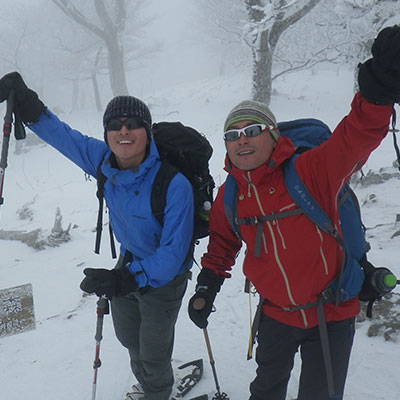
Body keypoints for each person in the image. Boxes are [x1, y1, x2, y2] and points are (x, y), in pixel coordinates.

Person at [188, 25, 400, 400]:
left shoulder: (310, 171)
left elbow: (355, 137)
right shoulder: (231, 194)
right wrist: (207, 286)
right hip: (277, 315)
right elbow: (222, 244)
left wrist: (377, 92)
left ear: (273, 136)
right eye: (232, 135)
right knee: (266, 391)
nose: (241, 139)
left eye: (251, 129)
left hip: (331, 312)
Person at [0, 75, 194, 400]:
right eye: (115, 125)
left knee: (153, 351)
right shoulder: (103, 160)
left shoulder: (174, 185)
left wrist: (125, 280)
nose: (124, 131)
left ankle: (158, 391)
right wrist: (29, 106)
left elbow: (173, 255)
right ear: (107, 133)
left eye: (133, 123)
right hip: (128, 264)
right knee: (130, 339)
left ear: (147, 133)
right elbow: (64, 137)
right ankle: (147, 384)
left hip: (165, 280)